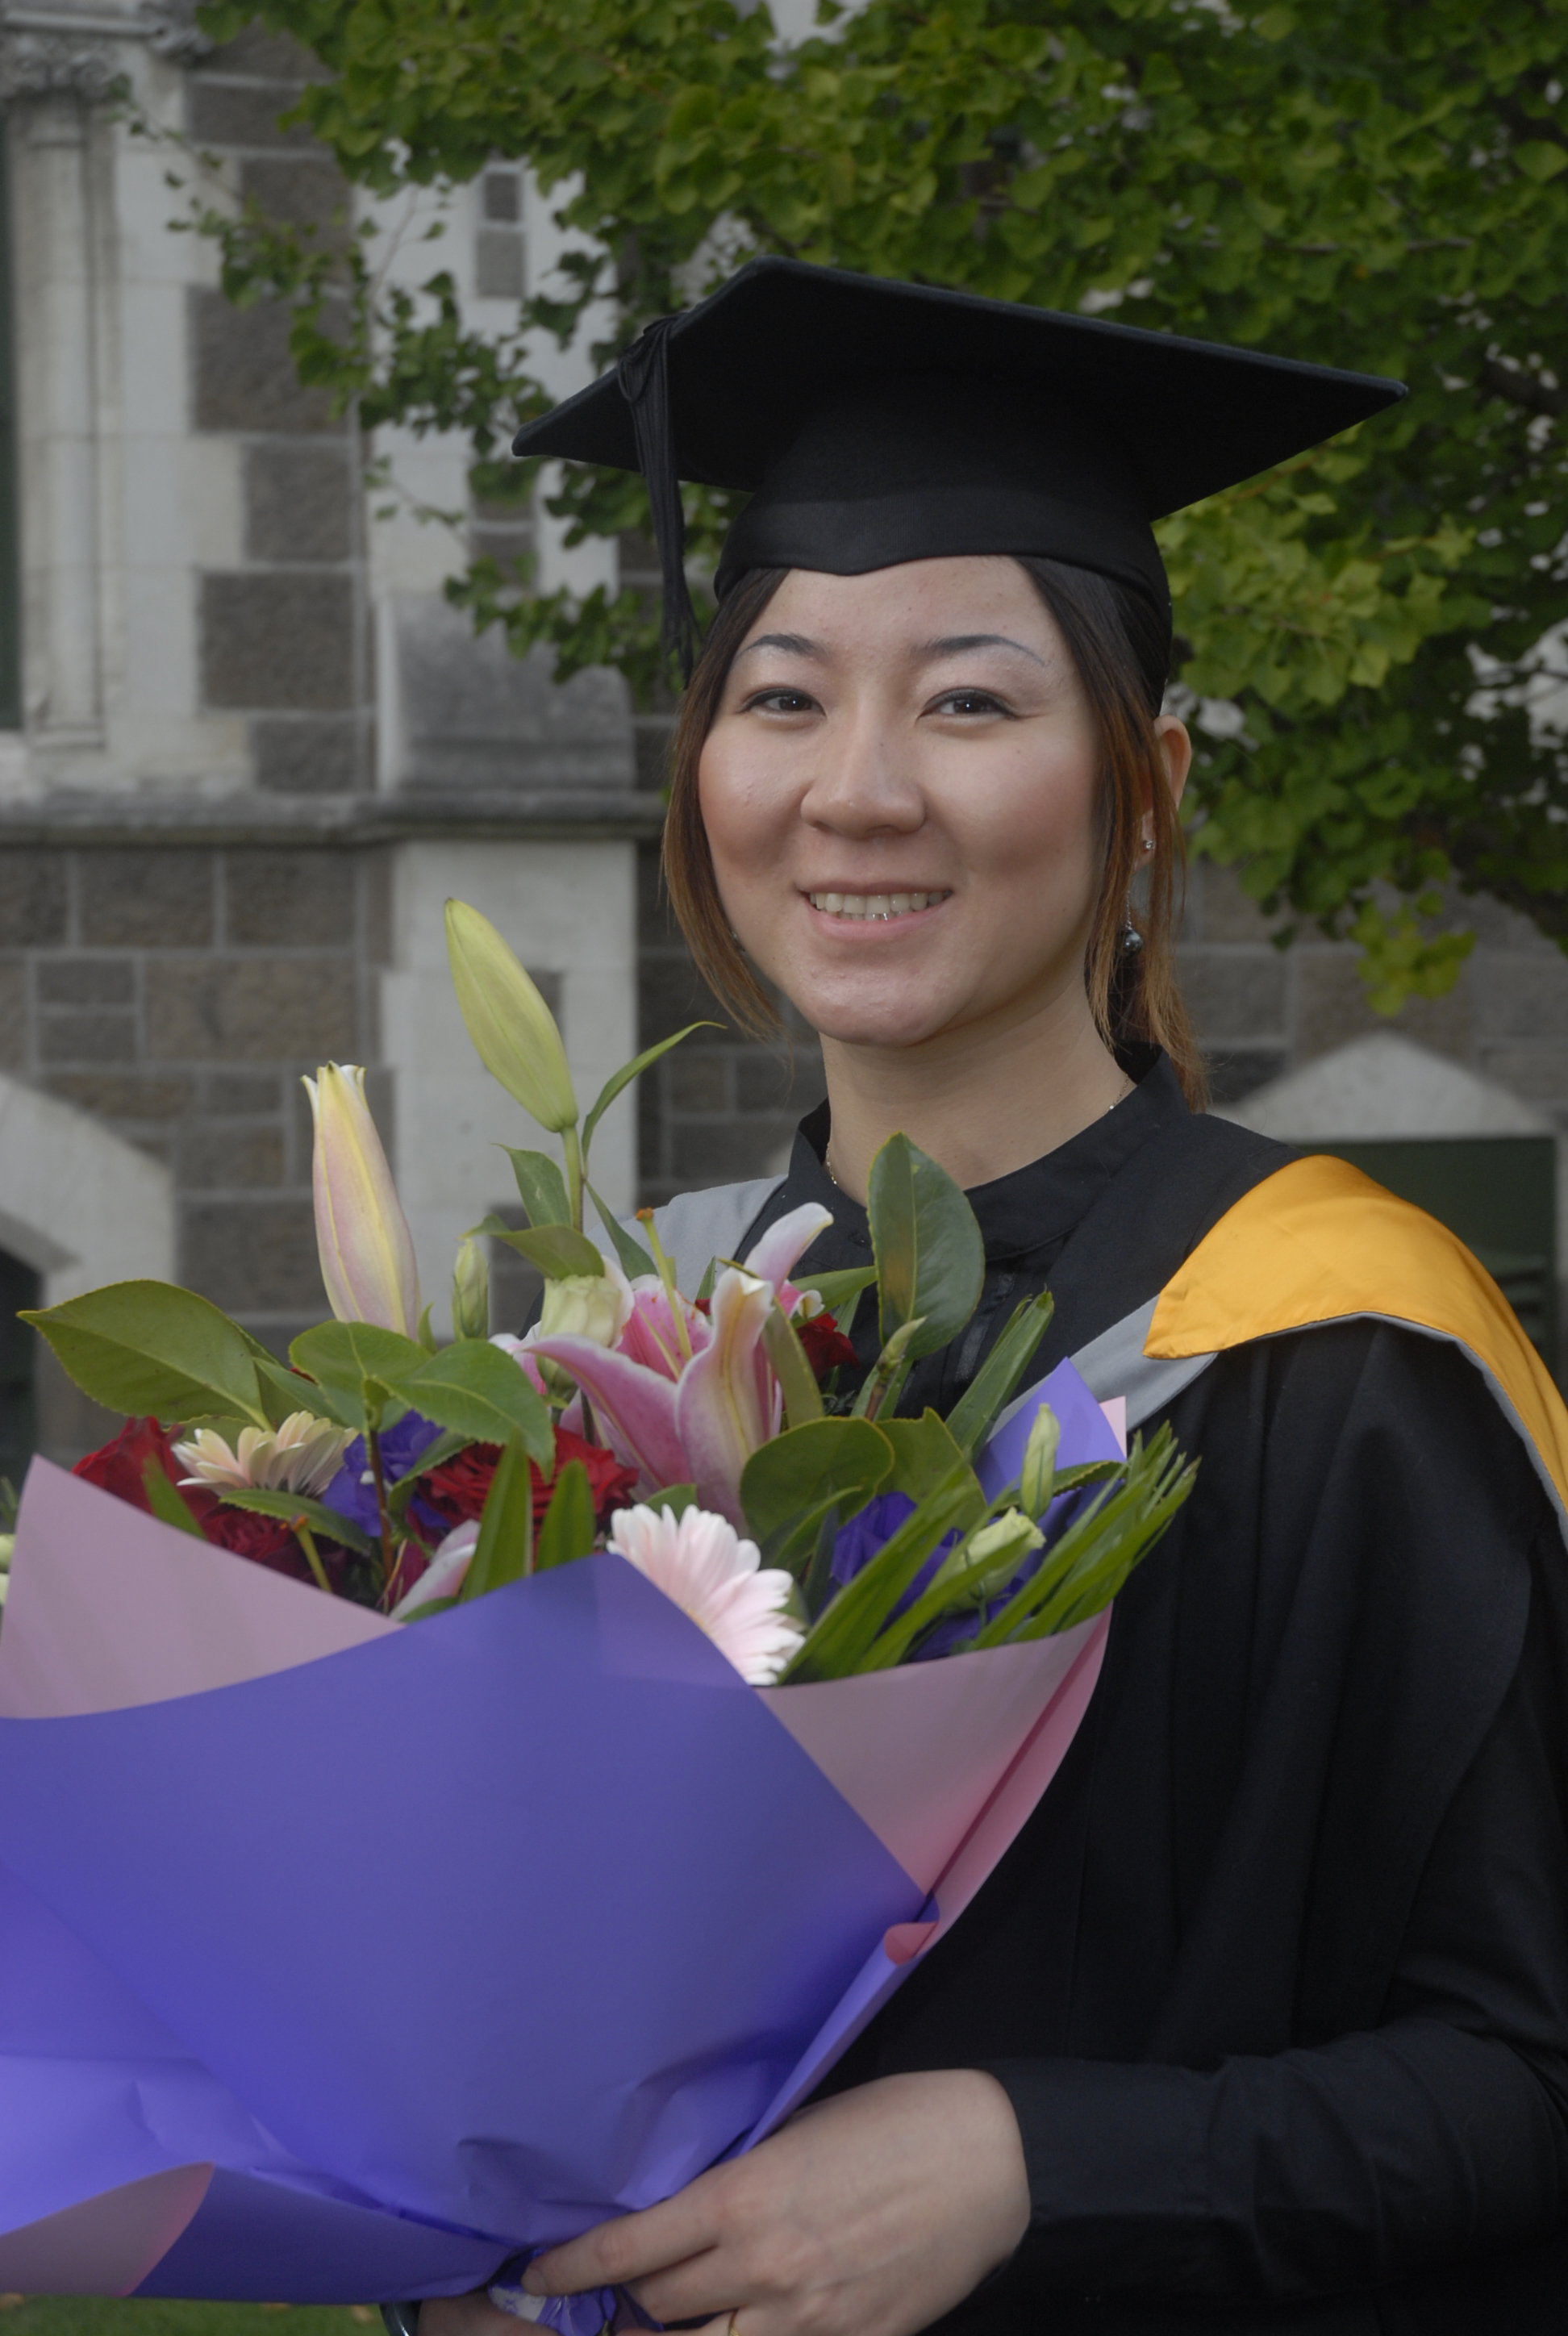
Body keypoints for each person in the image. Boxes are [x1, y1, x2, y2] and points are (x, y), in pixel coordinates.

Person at [423, 261, 1568, 2336]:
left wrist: (1036, 2163)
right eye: (780, 696)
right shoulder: (638, 1337)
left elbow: (1529, 2073)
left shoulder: (1340, 1354)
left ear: (1153, 783)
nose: (855, 788)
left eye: (969, 698)